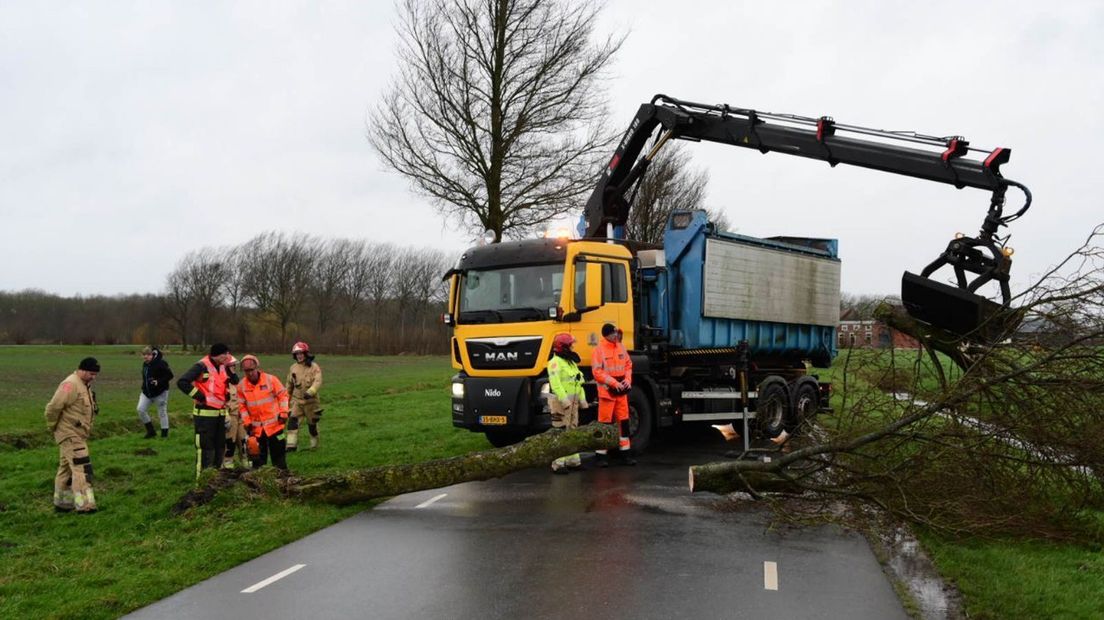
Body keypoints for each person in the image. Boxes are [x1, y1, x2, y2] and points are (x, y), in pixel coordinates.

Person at [45, 357, 101, 513]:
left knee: (66, 469)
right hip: (70, 434)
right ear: (82, 370)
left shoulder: (84, 384)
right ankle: (85, 506)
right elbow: (53, 408)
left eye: (95, 374)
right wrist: (53, 426)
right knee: (82, 468)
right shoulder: (70, 385)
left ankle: (63, 503)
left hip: (77, 434)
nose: (93, 377)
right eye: (91, 373)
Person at [177, 343, 239, 478]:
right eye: (225, 354)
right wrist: (198, 395)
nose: (227, 357)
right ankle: (201, 484)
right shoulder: (201, 366)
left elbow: (235, 381)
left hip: (220, 415)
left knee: (219, 449)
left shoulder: (223, 366)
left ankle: (215, 481)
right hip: (204, 416)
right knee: (206, 450)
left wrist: (231, 372)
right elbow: (182, 382)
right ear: (217, 355)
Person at [591, 322, 636, 467]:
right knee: (604, 424)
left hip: (621, 393)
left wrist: (627, 380)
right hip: (607, 394)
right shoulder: (599, 350)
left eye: (617, 333)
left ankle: (625, 454)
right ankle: (601, 457)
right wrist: (614, 383)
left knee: (624, 423)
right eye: (614, 333)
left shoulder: (620, 347)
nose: (616, 335)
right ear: (607, 335)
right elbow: (597, 372)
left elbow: (628, 365)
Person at [236, 354, 290, 471]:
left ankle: (283, 479)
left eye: (251, 370)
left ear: (257, 368)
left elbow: (283, 396)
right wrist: (246, 421)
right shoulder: (241, 386)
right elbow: (241, 406)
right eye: (246, 371)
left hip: (275, 426)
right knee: (257, 461)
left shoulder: (271, 380)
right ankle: (259, 483)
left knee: (279, 458)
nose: (250, 373)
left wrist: (284, 412)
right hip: (256, 430)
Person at [547, 333, 590, 475]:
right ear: (564, 346)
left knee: (573, 430)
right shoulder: (555, 363)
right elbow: (556, 384)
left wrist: (583, 400)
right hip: (560, 403)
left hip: (573, 402)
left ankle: (573, 461)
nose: (573, 346)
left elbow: (579, 382)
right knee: (560, 431)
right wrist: (564, 400)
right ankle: (558, 464)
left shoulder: (570, 362)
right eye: (571, 344)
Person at [286, 341, 323, 451]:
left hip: (311, 402)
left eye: (301, 353)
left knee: (312, 425)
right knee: (292, 423)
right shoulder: (293, 368)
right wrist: (285, 400)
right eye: (297, 354)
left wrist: (311, 391)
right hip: (297, 402)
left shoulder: (314, 367)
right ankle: (291, 446)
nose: (299, 356)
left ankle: (314, 446)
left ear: (306, 353)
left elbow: (318, 380)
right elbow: (289, 385)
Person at [137, 346, 174, 438]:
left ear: (152, 355)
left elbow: (170, 375)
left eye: (148, 354)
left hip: (161, 392)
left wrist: (158, 381)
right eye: (144, 355)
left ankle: (164, 435)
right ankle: (151, 431)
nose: (146, 357)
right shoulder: (145, 364)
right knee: (141, 409)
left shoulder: (161, 363)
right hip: (146, 393)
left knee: (162, 412)